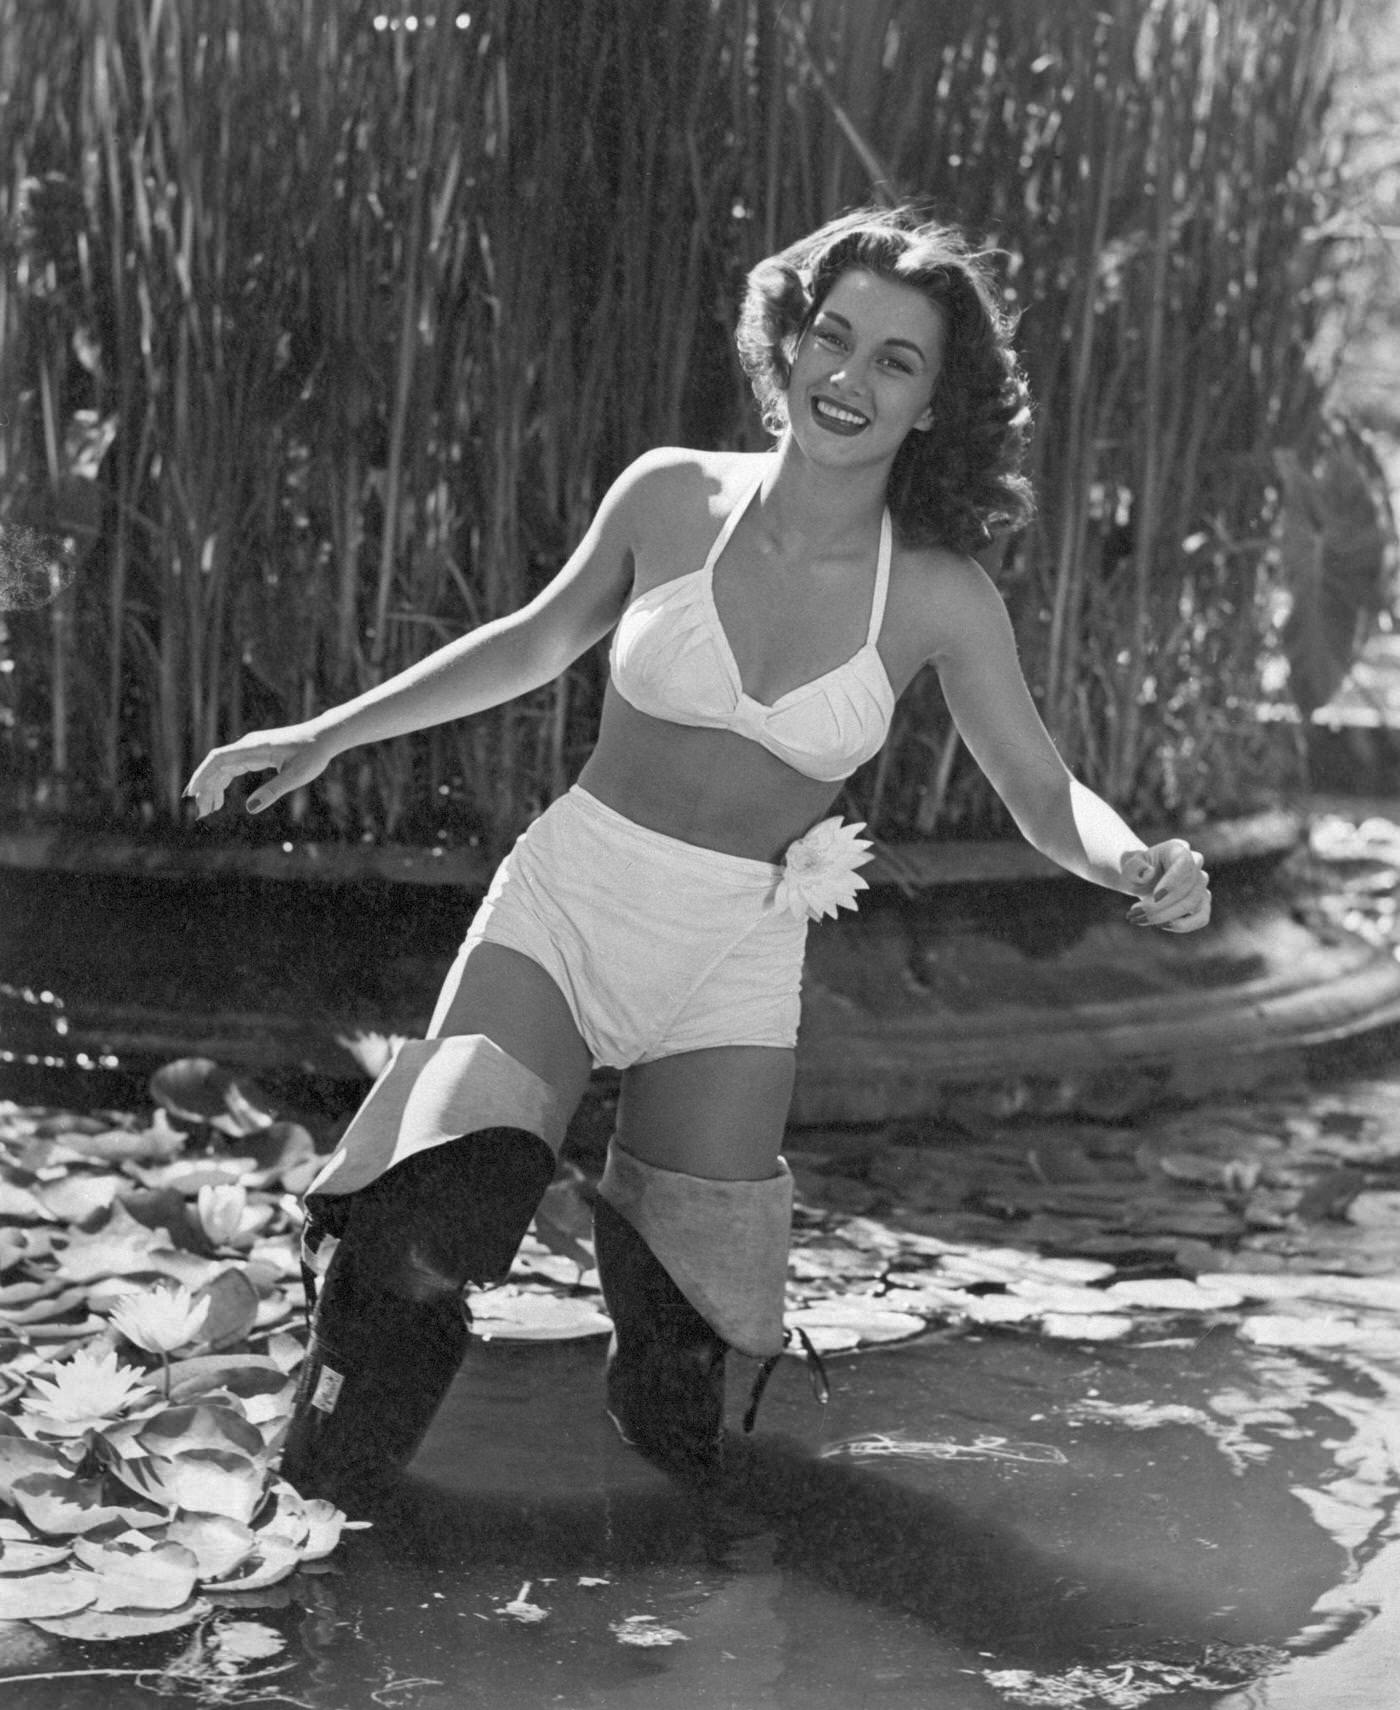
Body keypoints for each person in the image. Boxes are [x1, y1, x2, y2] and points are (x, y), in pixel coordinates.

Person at [185, 206, 1212, 1505]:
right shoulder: (670, 495)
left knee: (686, 1351)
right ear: (788, 343)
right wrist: (327, 733)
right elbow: (531, 639)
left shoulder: (942, 593)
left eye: (897, 361)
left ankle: (677, 1599)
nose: (850, 377)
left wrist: (1133, 860)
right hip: (571, 904)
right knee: (429, 1208)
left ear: (937, 404)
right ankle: (318, 1514)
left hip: (733, 952)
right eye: (833, 337)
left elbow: (1042, 785)